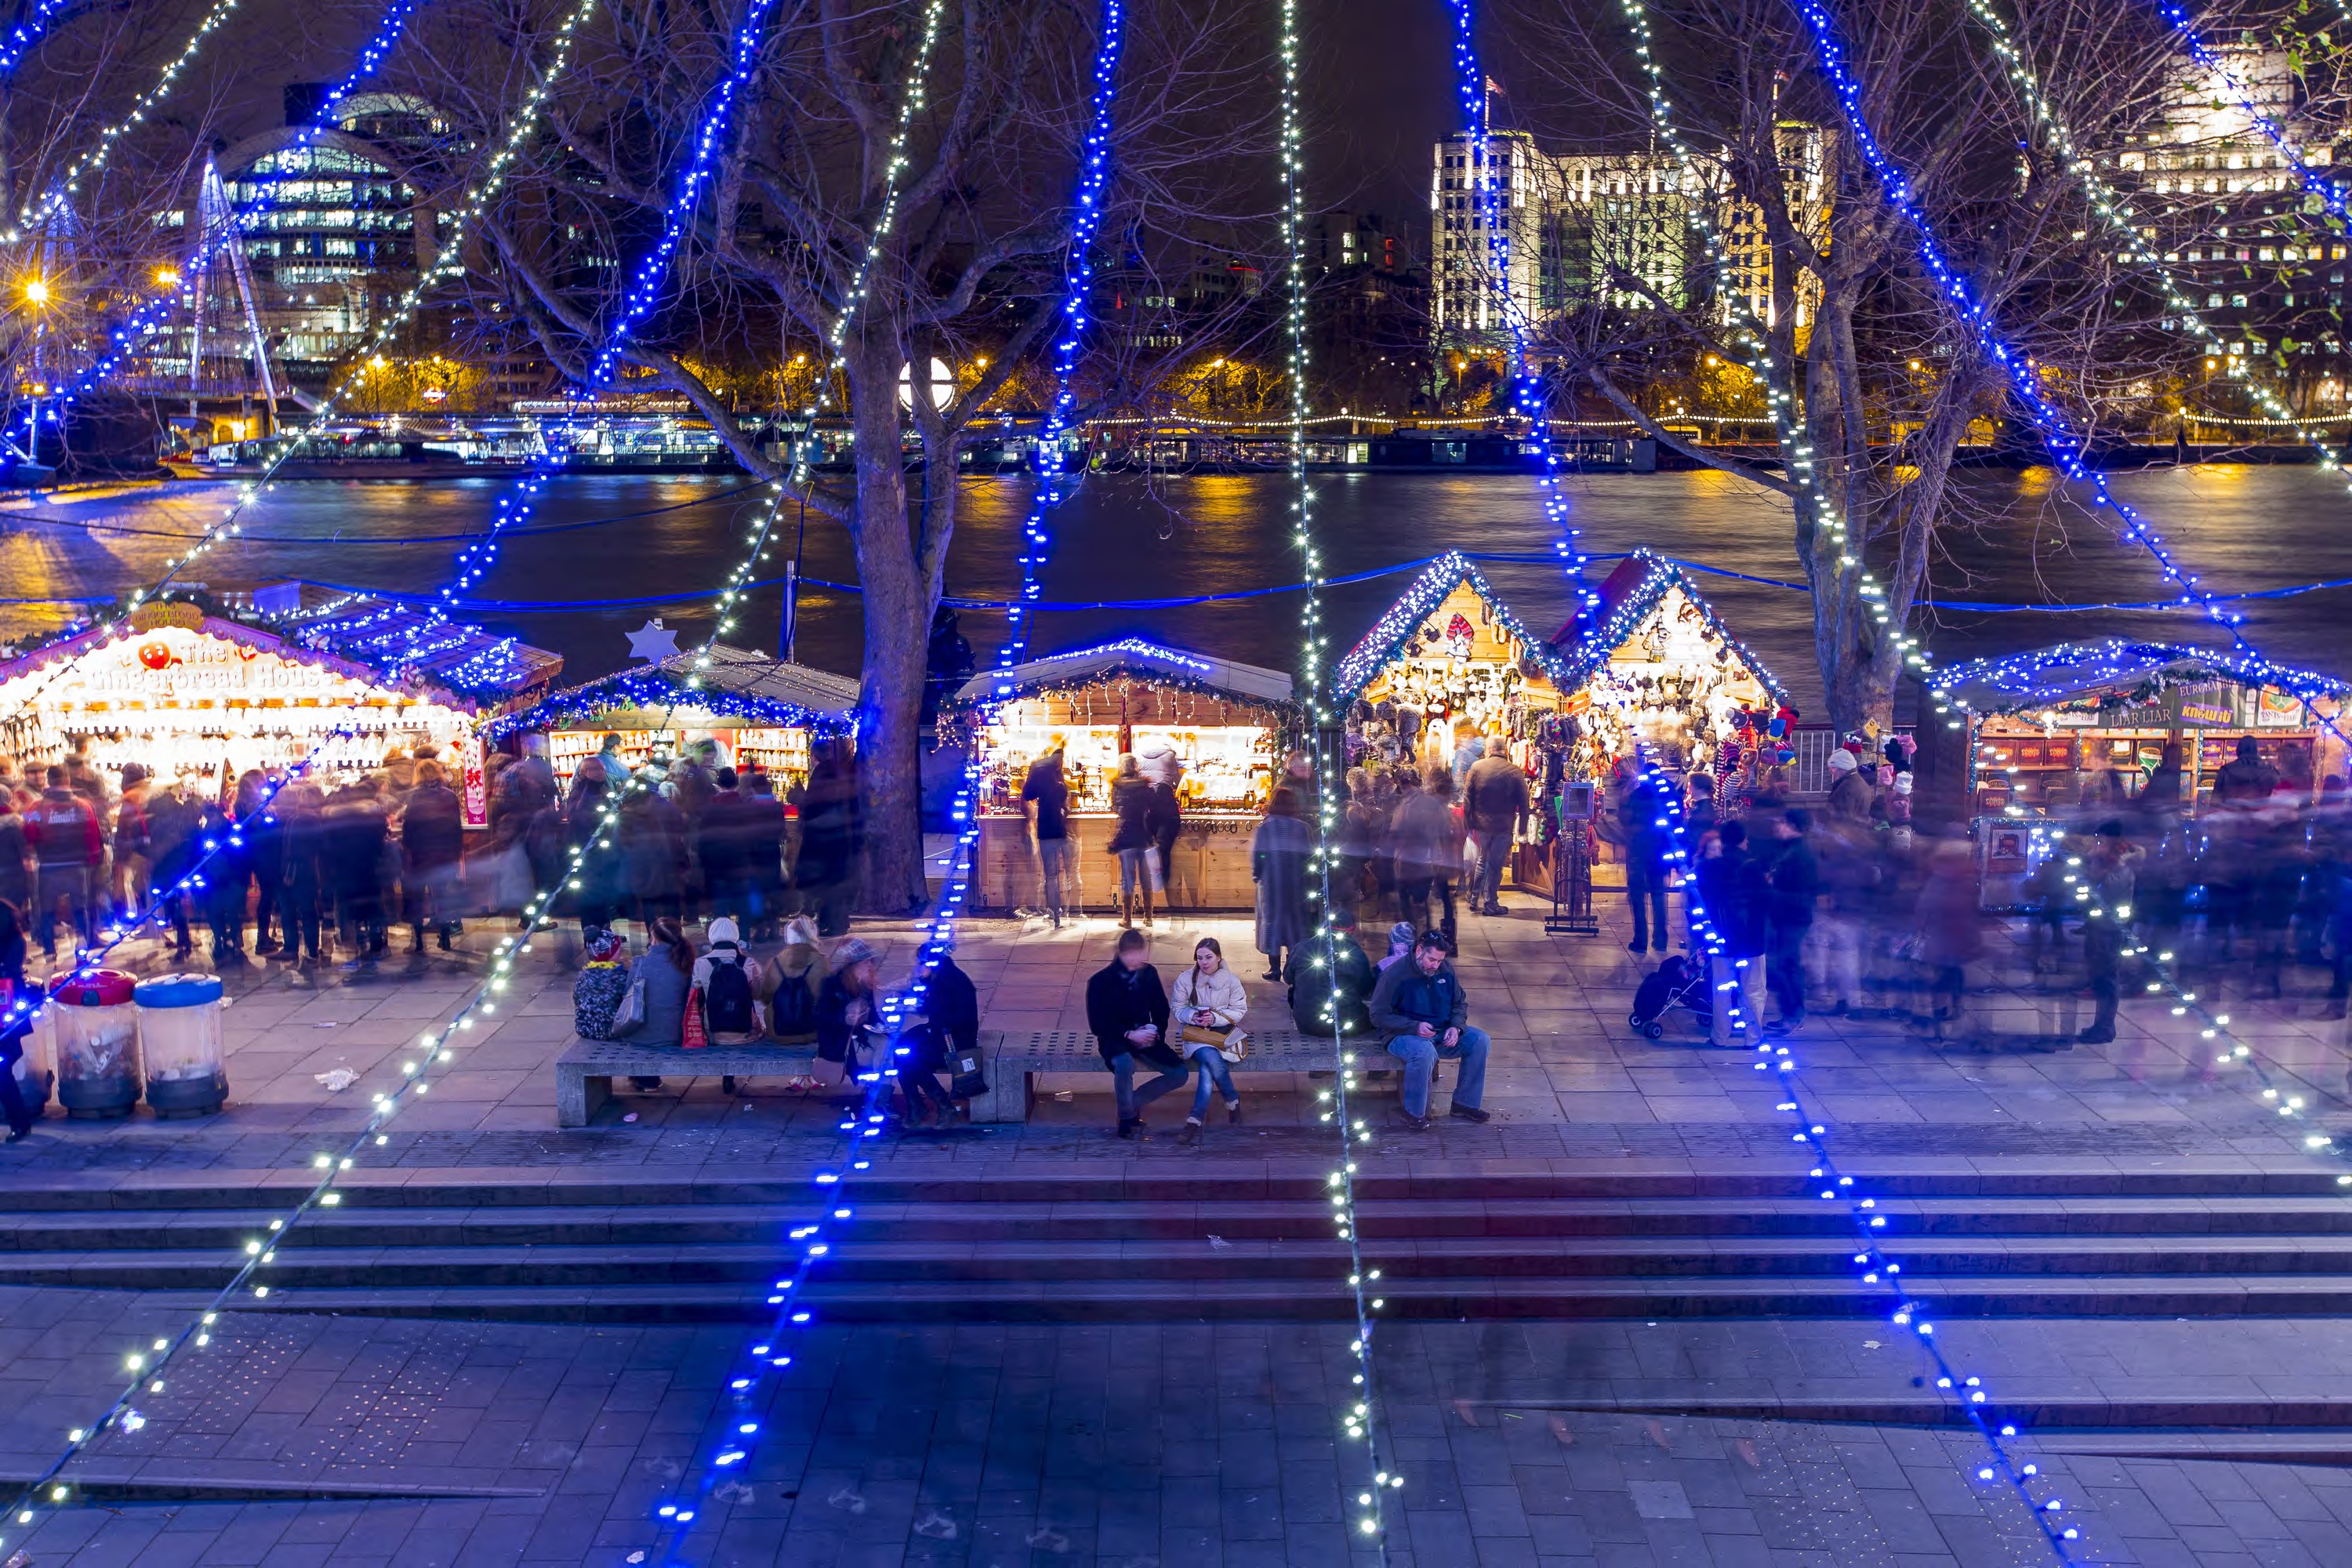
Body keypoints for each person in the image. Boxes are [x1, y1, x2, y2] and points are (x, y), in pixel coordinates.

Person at [1368, 928, 1491, 1130]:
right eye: (1431, 960)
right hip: (1402, 1035)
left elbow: (1459, 1003)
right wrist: (1414, 1026)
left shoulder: (1446, 970)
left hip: (1440, 1031)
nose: (1436, 966)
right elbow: (1378, 1015)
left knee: (1480, 1041)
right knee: (1424, 1051)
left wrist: (1457, 1027)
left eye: (1440, 961)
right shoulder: (1395, 975)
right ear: (1419, 951)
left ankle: (1465, 1104)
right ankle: (1414, 1114)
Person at [1086, 927, 1182, 1139]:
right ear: (1121, 953)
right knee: (1124, 1064)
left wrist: (1155, 1031)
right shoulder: (1100, 981)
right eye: (1131, 953)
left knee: (1179, 1074)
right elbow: (1098, 1024)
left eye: (1139, 953)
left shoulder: (1149, 973)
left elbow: (1160, 1008)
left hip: (1145, 1035)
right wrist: (1129, 1034)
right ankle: (1126, 1119)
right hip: (1116, 1039)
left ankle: (1130, 1103)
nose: (1136, 958)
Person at [1694, 819, 1769, 1047]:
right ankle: (1753, 1037)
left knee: (1721, 988)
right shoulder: (1753, 867)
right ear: (1743, 840)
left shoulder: (1708, 868)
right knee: (1753, 989)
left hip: (1721, 937)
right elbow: (1765, 901)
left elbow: (1702, 899)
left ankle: (1720, 1036)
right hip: (1751, 938)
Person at [1167, 936, 1247, 1145]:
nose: (1203, 962)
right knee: (1210, 1057)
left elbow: (1239, 1010)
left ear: (1219, 957)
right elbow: (1178, 1008)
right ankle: (1231, 1100)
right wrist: (1192, 1016)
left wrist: (1215, 1018)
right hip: (1197, 1036)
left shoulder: (1232, 981)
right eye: (1199, 957)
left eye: (1209, 957)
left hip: (1223, 1035)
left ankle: (1195, 1120)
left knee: (1207, 1070)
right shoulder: (1186, 979)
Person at [24, 766, 100, 960]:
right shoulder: (83, 806)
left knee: (47, 910)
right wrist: (92, 860)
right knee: (79, 908)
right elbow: (94, 835)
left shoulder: (37, 808)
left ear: (49, 781)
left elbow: (28, 831)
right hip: (77, 865)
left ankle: (50, 952)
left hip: (48, 866)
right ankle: (82, 948)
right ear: (67, 780)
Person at [1914, 838, 1986, 1035]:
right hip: (1952, 938)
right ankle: (1950, 1011)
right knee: (1950, 974)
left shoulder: (1942, 882)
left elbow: (1924, 909)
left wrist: (1922, 929)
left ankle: (1942, 1015)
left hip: (1947, 938)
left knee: (1943, 976)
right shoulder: (1965, 881)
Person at [2077, 821, 2139, 1046]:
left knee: (2107, 979)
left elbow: (2111, 888)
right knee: (2099, 978)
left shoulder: (2121, 866)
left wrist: (2097, 867)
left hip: (2110, 929)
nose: (2098, 844)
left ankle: (2105, 1028)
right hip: (2099, 925)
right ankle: (2100, 1025)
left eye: (2102, 840)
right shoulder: (2109, 862)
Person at [900, 950, 978, 1128]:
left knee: (909, 1058)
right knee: (901, 1047)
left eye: (922, 963)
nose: (919, 967)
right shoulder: (940, 978)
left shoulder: (952, 982)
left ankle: (942, 1105)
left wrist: (926, 1006)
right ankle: (917, 1105)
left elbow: (954, 1019)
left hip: (954, 1041)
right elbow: (929, 1009)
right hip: (940, 1033)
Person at [1386, 765, 1461, 946]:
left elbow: (1396, 833)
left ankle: (1416, 940)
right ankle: (1438, 940)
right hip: (1428, 860)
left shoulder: (1405, 805)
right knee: (1431, 903)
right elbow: (1445, 833)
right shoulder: (1427, 803)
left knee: (1415, 904)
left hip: (1414, 862)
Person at [797, 742, 865, 937]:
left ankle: (834, 923)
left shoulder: (821, 775)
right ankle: (832, 921)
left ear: (813, 756)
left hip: (824, 838)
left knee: (827, 883)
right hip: (839, 836)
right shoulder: (839, 772)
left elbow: (813, 807)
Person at [1762, 809, 1820, 1033]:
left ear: (1793, 826)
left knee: (1787, 965)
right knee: (1784, 964)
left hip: (1794, 917)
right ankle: (1790, 1012)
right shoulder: (1787, 849)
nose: (1778, 826)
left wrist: (1772, 889)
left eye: (1783, 823)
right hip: (1784, 915)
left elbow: (1804, 891)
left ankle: (1794, 1014)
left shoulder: (1801, 854)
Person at [1250, 775, 1312, 982]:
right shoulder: (1303, 828)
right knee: (1294, 924)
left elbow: (1259, 854)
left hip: (1271, 882)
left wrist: (1257, 874)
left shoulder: (1266, 827)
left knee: (1272, 923)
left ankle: (1274, 969)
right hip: (1296, 882)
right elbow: (1309, 854)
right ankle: (1293, 969)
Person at [624, 916, 696, 1091]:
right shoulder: (686, 964)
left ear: (653, 938)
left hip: (639, 1033)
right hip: (675, 1033)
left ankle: (645, 1080)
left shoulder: (639, 963)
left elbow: (627, 996)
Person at [401, 760, 466, 954]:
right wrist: (456, 851)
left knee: (416, 898)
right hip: (444, 853)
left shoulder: (413, 796)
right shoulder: (449, 796)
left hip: (420, 854)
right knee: (442, 895)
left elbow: (409, 826)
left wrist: (407, 849)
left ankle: (418, 941)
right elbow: (456, 826)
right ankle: (445, 937)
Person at [1461, 739, 1529, 917]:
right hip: (1502, 825)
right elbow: (1524, 801)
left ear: (1489, 749)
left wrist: (1468, 821)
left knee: (1483, 859)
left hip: (1481, 824)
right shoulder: (1514, 771)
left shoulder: (1477, 767)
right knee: (1495, 864)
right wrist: (1523, 825)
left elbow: (1467, 797)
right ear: (1504, 750)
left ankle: (1474, 899)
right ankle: (1490, 903)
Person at [1288, 909, 1377, 1039]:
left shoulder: (1303, 947)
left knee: (1293, 991)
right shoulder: (1356, 954)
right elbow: (1366, 989)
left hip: (1306, 1024)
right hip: (1346, 1023)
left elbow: (1288, 977)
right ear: (1351, 930)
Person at [816, 936, 883, 1103]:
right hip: (841, 1039)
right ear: (854, 965)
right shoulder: (833, 984)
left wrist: (881, 1026)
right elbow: (821, 1017)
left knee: (889, 1045)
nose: (870, 965)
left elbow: (873, 1014)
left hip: (862, 1034)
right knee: (881, 1053)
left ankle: (882, 1098)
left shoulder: (866, 984)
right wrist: (845, 1016)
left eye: (871, 961)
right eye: (866, 962)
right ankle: (879, 1098)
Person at [620, 784, 689, 931]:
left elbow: (623, 846)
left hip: (649, 868)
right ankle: (670, 935)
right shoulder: (658, 812)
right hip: (659, 866)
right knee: (665, 902)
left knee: (652, 903)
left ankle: (657, 936)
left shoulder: (629, 817)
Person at [1020, 742, 1073, 928]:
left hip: (1046, 830)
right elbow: (1065, 804)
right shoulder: (1060, 784)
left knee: (1051, 875)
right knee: (1068, 873)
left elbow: (1027, 794)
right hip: (1062, 831)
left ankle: (1055, 914)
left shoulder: (1040, 775)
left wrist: (1031, 776)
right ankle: (1068, 911)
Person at [1621, 768, 1672, 956]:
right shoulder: (1666, 794)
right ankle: (1661, 940)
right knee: (1659, 895)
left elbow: (1626, 818)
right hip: (1660, 852)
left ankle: (1640, 941)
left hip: (1639, 851)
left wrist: (1625, 795)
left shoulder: (1637, 795)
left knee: (1637, 896)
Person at [1107, 754, 1158, 930]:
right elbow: (1152, 808)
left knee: (1128, 880)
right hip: (1144, 836)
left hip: (1126, 837)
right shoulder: (1145, 786)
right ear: (1136, 766)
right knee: (1146, 878)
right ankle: (1148, 916)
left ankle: (1127, 919)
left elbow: (1116, 808)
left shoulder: (1117, 787)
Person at [0, 901, 34, 1138]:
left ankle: (19, 1122)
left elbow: (9, 972)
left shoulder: (13, 942)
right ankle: (18, 1121)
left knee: (2, 1068)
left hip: (5, 1013)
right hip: (7, 1012)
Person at [1148, 769, 1184, 916]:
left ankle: (1158, 901)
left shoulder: (1153, 806)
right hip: (1166, 843)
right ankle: (1165, 897)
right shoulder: (1170, 808)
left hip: (1155, 850)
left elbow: (1149, 823)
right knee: (1165, 859)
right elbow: (1175, 823)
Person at [2213, 735, 2278, 805]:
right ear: (2257, 750)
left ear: (2238, 750)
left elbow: (2215, 801)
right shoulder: (2271, 772)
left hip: (2231, 810)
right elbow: (2277, 802)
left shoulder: (2226, 770)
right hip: (2261, 811)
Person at [1826, 748, 1875, 823]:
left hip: (1848, 829)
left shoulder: (1846, 788)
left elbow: (1842, 818)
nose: (1830, 771)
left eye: (1833, 768)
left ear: (1843, 768)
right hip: (1859, 828)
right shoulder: (1858, 782)